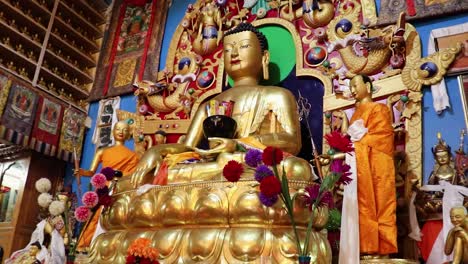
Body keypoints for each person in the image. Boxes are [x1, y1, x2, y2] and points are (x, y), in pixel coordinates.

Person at [129, 22, 312, 188]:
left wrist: (237, 145)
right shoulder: (209, 105)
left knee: (296, 168)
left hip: (251, 163)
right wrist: (156, 151)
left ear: (264, 57)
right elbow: (189, 148)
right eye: (228, 49)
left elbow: (292, 142)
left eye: (244, 46)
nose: (234, 53)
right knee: (149, 176)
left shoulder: (277, 95)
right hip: (209, 168)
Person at [347, 74, 397, 257]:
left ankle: (383, 250)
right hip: (360, 166)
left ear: (367, 86)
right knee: (363, 206)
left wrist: (357, 141)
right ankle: (366, 248)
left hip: (378, 164)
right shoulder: (354, 116)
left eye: (355, 85)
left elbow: (383, 138)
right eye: (350, 87)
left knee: (381, 203)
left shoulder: (379, 108)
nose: (352, 90)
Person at [75, 120, 140, 251]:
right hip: (103, 187)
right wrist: (82, 172)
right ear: (113, 132)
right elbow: (92, 171)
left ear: (129, 135)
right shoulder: (103, 151)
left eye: (125, 130)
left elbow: (131, 176)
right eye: (118, 129)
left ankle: (112, 246)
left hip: (121, 188)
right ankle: (85, 244)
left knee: (118, 216)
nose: (121, 132)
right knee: (96, 215)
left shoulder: (133, 156)